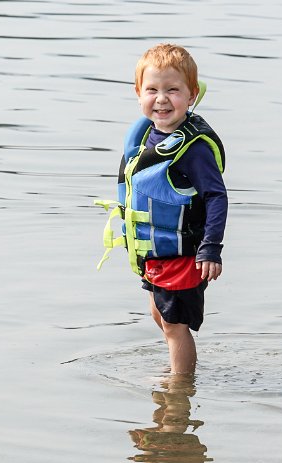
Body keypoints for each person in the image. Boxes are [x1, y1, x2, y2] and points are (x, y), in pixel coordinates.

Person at [96, 43, 228, 374]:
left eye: (173, 90)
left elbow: (216, 196)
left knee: (174, 324)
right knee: (159, 314)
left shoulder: (193, 150)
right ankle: (177, 380)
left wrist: (211, 248)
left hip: (183, 254)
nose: (162, 99)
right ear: (138, 93)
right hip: (154, 253)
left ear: (192, 94)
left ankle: (180, 387)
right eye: (152, 90)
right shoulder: (145, 138)